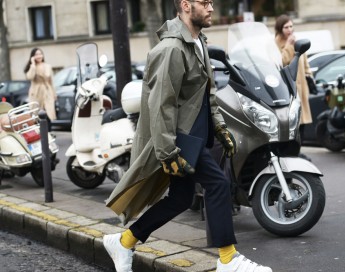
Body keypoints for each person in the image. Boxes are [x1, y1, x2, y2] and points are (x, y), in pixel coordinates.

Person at [102, 1, 273, 272]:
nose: (211, 7)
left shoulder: (198, 42)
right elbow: (161, 105)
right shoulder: (171, 49)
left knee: (180, 199)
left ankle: (124, 241)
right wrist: (167, 152)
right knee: (217, 184)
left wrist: (219, 127)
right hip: (180, 139)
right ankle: (228, 259)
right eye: (204, 2)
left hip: (194, 136)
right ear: (185, 5)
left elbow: (207, 94)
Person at [274, 14, 313, 161]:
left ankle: (297, 153)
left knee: (302, 123)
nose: (289, 29)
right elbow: (281, 61)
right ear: (280, 28)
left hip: (302, 88)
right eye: (286, 27)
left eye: (291, 26)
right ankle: (290, 154)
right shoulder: (276, 43)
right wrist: (289, 45)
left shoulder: (297, 40)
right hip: (288, 89)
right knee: (292, 123)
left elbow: (304, 61)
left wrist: (309, 75)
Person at [24, 48, 57, 121]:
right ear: (33, 57)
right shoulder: (32, 67)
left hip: (47, 91)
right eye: (36, 54)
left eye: (40, 54)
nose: (39, 56)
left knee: (48, 113)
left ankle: (48, 131)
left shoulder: (47, 66)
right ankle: (40, 131)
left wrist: (54, 94)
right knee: (37, 114)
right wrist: (33, 64)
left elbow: (51, 81)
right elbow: (30, 77)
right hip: (36, 92)